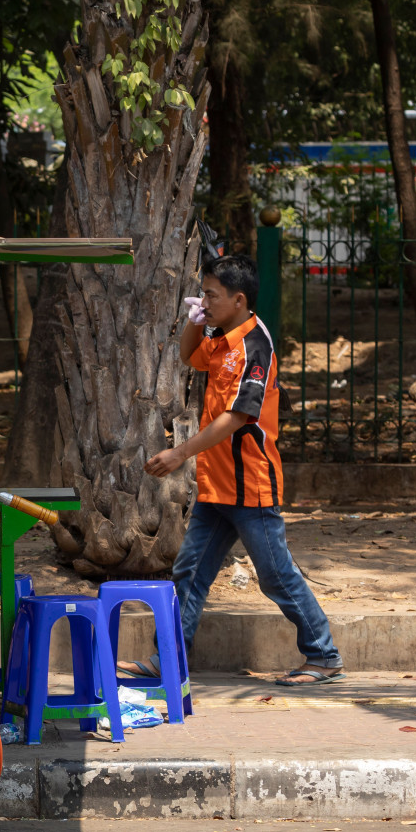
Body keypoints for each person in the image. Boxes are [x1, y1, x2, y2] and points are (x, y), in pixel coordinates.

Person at [120, 255, 345, 686]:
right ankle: (167, 659)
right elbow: (189, 356)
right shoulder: (221, 337)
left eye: (211, 295)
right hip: (217, 486)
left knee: (276, 576)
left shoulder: (254, 345)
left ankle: (324, 656)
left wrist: (179, 453)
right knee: (189, 572)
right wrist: (195, 320)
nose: (205, 300)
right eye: (202, 293)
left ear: (239, 300)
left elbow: (239, 415)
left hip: (250, 486)